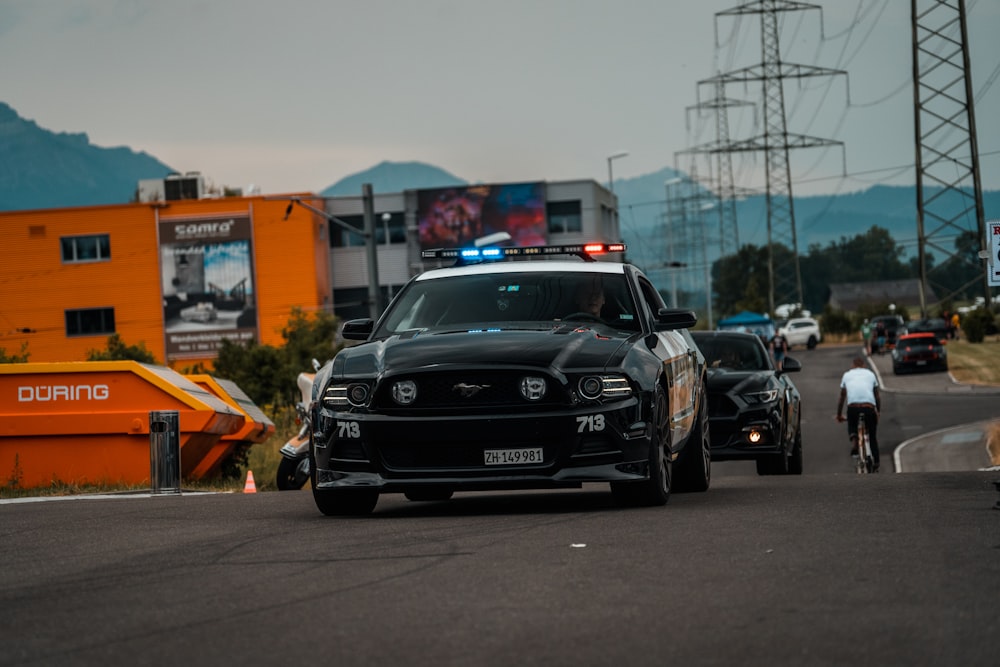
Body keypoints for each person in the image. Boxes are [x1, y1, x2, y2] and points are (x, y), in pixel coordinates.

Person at [836, 357, 881, 472]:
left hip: (853, 407)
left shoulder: (847, 375)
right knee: (872, 435)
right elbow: (877, 396)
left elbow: (842, 397)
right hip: (868, 407)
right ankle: (876, 461)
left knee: (852, 423)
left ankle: (854, 438)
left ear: (853, 366)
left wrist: (839, 414)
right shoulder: (870, 374)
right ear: (864, 365)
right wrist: (878, 411)